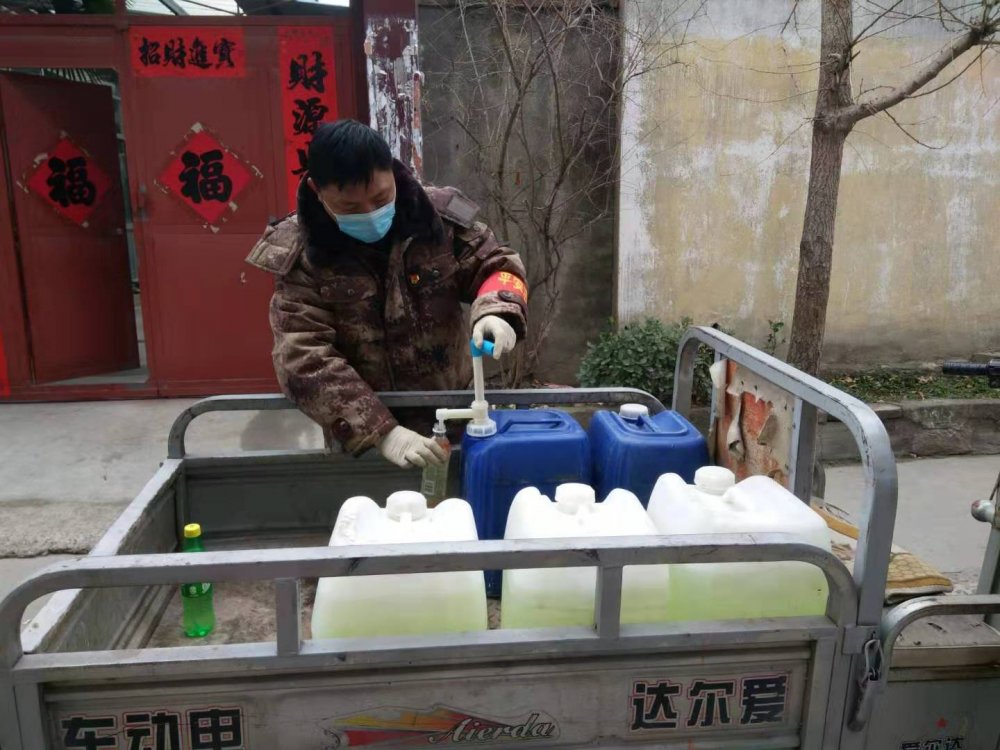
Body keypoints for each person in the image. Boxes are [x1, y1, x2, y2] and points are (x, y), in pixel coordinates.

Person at [246, 120, 528, 469]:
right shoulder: (303, 254)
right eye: (350, 208)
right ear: (318, 190)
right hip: (363, 443)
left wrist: (497, 310)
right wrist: (382, 432)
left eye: (380, 199)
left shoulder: (436, 219)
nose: (369, 214)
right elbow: (301, 356)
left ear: (392, 171)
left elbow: (497, 264)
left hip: (453, 419)